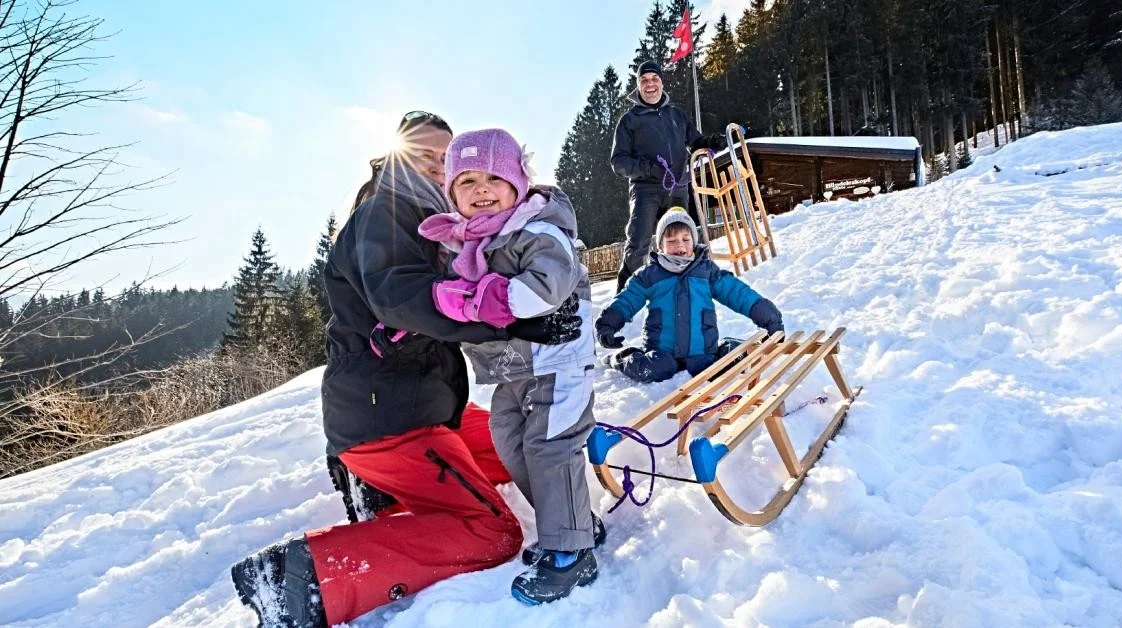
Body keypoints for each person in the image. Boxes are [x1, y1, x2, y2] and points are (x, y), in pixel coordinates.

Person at [230, 112, 585, 627]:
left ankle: (384, 491)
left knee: (524, 444)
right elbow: (401, 299)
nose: (436, 165)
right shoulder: (384, 211)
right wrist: (506, 323)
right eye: (423, 155)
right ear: (395, 158)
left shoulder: (441, 222)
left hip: (434, 408)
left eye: (445, 158)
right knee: (493, 532)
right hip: (388, 418)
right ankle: (306, 575)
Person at [419, 128, 601, 605]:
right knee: (509, 439)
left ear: (518, 181)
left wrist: (481, 299)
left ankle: (573, 551)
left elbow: (547, 283)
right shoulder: (465, 245)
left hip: (560, 363)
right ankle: (572, 520)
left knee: (549, 448)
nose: (481, 190)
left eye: (493, 178)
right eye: (467, 181)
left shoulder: (537, 229)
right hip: (516, 369)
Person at [595, 208, 784, 383]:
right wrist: (608, 324)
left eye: (686, 239)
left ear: (693, 241)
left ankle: (727, 348)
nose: (680, 246)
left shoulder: (706, 272)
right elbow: (628, 298)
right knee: (654, 370)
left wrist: (770, 318)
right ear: (660, 245)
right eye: (671, 241)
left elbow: (737, 294)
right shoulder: (650, 275)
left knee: (715, 370)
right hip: (662, 351)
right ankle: (620, 358)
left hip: (701, 351)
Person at [610, 60, 712, 293]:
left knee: (682, 240)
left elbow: (696, 142)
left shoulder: (676, 115)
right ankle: (625, 297)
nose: (650, 84)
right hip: (646, 191)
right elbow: (619, 162)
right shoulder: (629, 121)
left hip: (677, 190)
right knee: (638, 245)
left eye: (654, 79)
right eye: (644, 80)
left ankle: (684, 288)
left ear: (661, 83)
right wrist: (649, 169)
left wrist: (709, 142)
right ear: (638, 85)